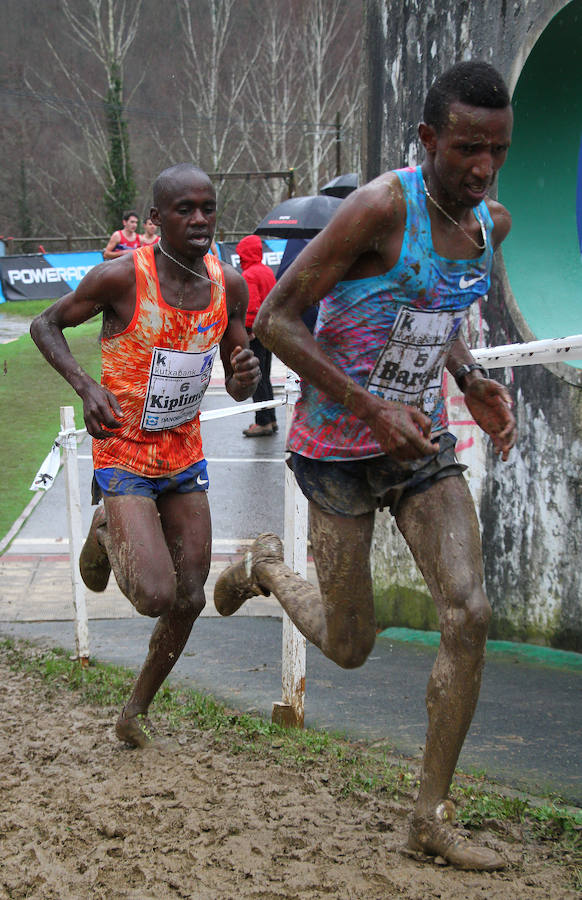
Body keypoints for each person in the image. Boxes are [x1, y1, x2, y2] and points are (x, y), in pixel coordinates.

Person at [214, 61, 516, 871]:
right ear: (426, 142)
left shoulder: (492, 224)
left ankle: (431, 815)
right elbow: (275, 320)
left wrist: (470, 377)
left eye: (498, 150)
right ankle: (267, 567)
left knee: (470, 613)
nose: (483, 169)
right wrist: (370, 404)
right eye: (465, 150)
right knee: (350, 646)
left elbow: (438, 306)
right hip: (340, 453)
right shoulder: (382, 206)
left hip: (419, 446)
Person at [31, 163, 260, 749]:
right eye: (184, 209)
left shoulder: (226, 284)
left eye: (208, 207)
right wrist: (87, 386)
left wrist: (244, 372)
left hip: (184, 452)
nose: (200, 219)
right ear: (156, 220)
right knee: (155, 594)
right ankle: (106, 526)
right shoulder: (122, 278)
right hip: (124, 448)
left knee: (189, 597)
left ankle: (135, 709)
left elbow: (238, 382)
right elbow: (46, 324)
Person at [236, 234, 278, 436]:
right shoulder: (267, 271)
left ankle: (262, 421)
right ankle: (271, 418)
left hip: (256, 333)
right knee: (266, 376)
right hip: (269, 331)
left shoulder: (249, 275)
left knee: (256, 378)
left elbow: (251, 307)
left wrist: (247, 331)